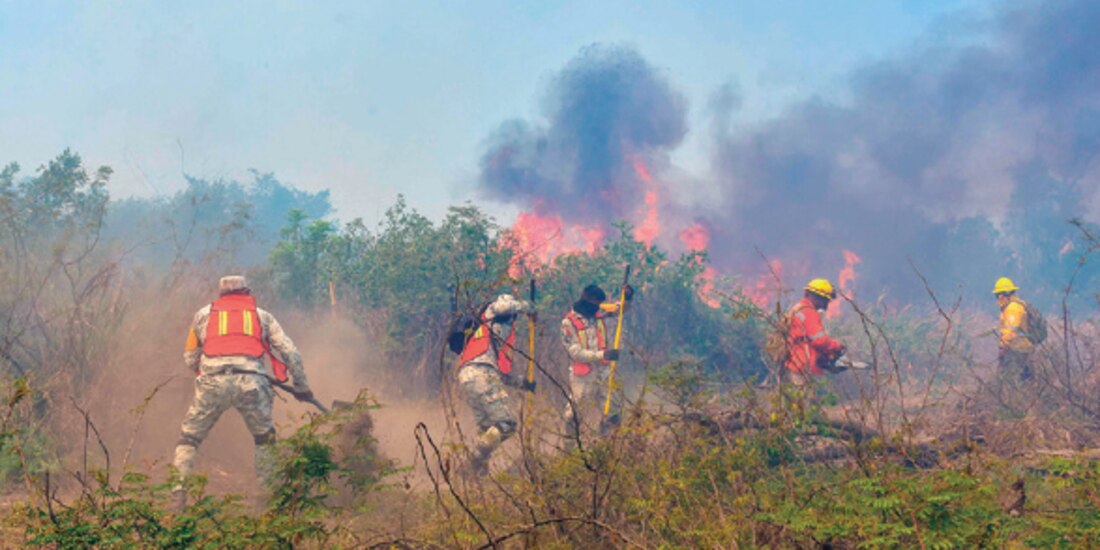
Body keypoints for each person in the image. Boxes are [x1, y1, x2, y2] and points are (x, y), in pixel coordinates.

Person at [172, 275, 313, 509]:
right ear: (247, 292)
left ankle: (177, 494)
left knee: (189, 439)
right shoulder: (261, 315)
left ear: (220, 294)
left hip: (212, 382)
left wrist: (207, 370)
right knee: (264, 440)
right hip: (251, 382)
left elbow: (189, 357)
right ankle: (265, 501)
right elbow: (290, 351)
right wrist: (301, 385)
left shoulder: (203, 315)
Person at [455, 293, 534, 475]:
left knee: (486, 428)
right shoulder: (492, 311)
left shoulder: (490, 337)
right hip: (481, 373)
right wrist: (527, 306)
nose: (511, 320)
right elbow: (502, 307)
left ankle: (478, 473)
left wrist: (523, 383)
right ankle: (473, 460)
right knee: (506, 424)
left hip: (468, 375)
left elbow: (501, 374)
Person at [560, 283, 633, 445]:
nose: (598, 308)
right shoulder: (568, 322)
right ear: (587, 301)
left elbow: (621, 308)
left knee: (613, 408)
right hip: (583, 373)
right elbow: (575, 352)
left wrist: (627, 296)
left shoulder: (599, 313)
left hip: (605, 370)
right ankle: (570, 446)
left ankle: (607, 443)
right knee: (574, 413)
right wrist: (602, 354)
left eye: (600, 304)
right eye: (596, 303)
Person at [784, 278, 846, 386]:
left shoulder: (797, 309)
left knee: (794, 400)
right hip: (803, 367)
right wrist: (837, 346)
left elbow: (808, 339)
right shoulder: (809, 313)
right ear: (815, 297)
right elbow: (820, 341)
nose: (825, 306)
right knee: (803, 401)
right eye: (825, 301)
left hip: (793, 364)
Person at [993, 277, 1036, 382]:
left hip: (1016, 351)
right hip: (1021, 349)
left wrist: (1003, 347)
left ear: (1002, 295)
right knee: (1024, 381)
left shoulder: (1013, 309)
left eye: (997, 295)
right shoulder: (1014, 307)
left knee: (1010, 381)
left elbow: (1011, 331)